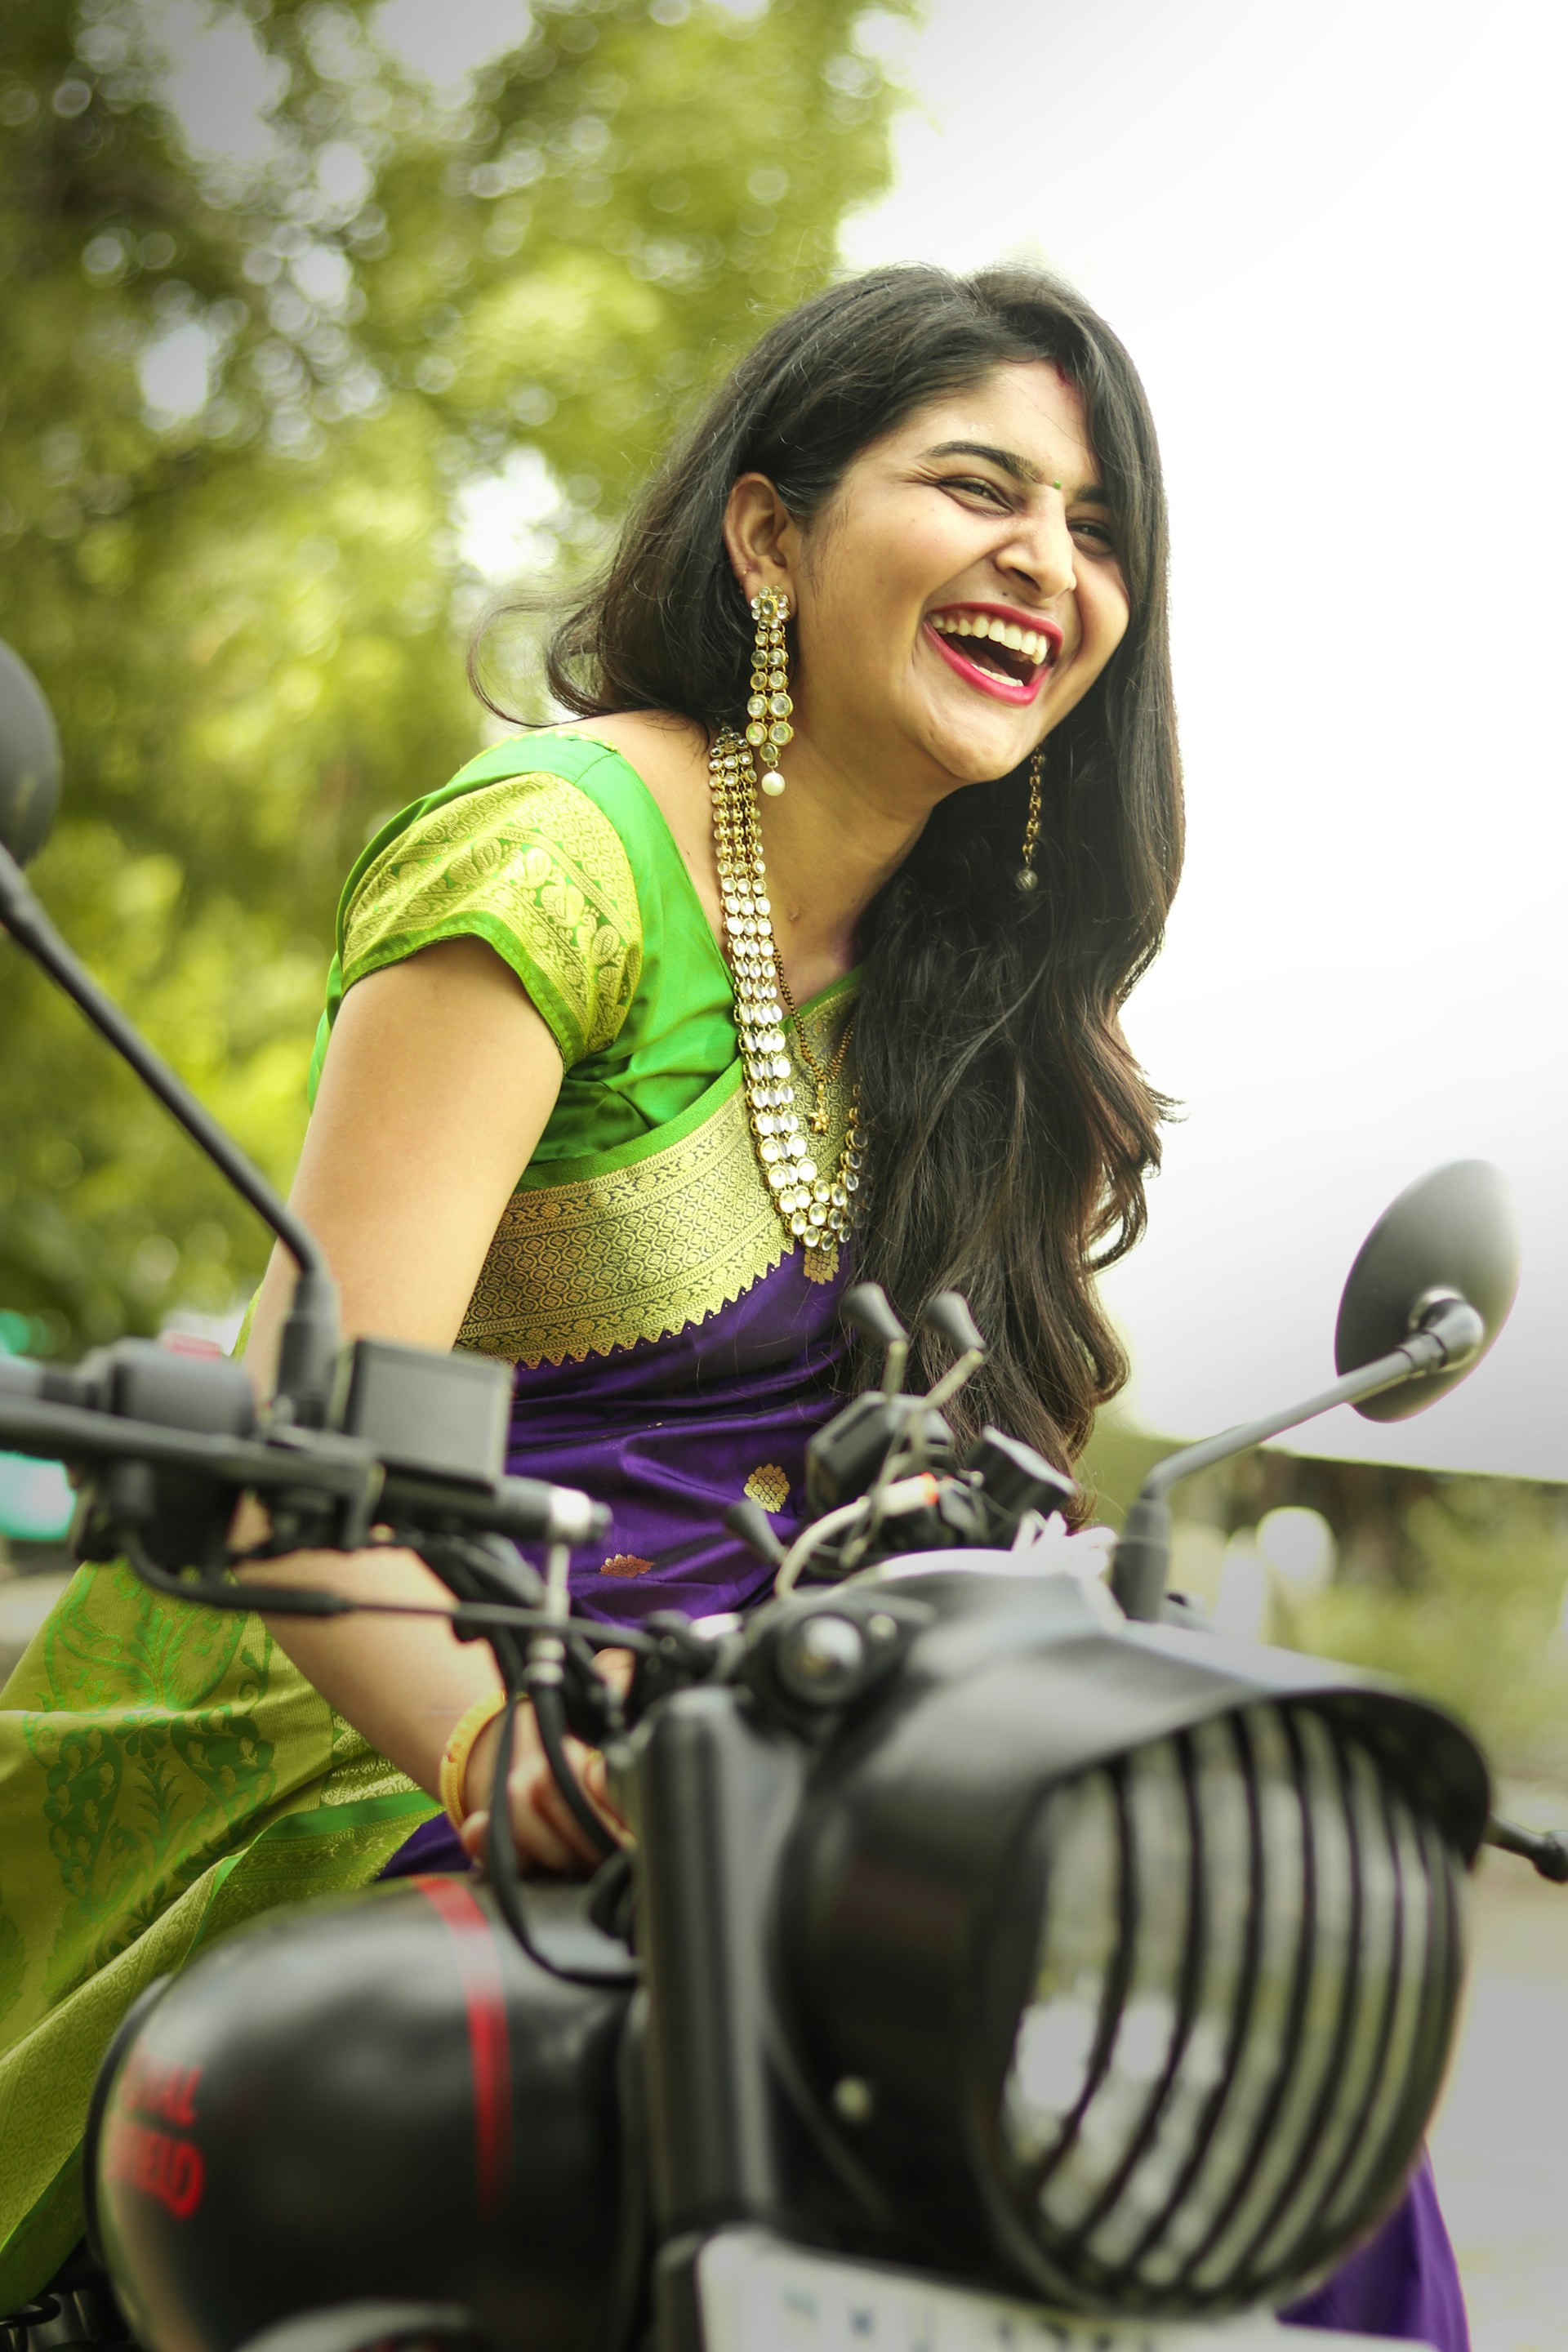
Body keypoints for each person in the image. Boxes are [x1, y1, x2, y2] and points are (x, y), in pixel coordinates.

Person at [0, 264, 1464, 2344]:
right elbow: (291, 1462)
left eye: (1099, 527)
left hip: (813, 1752)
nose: (1048, 561)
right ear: (772, 536)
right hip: (419, 1719)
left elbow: (975, 1493)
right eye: (980, 487)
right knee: (609, 2100)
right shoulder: (564, 853)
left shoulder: (988, 997)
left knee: (1258, 2123)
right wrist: (513, 1752)